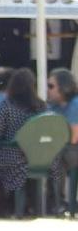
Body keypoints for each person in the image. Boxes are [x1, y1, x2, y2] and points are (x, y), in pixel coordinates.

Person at [0, 68, 46, 216]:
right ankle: (31, 205)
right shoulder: (41, 106)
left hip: (12, 156)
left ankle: (2, 206)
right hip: (38, 158)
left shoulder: (8, 104)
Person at [47, 68, 78, 210]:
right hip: (62, 147)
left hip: (73, 147)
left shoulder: (75, 104)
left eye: (51, 86)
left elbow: (73, 137)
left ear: (64, 87)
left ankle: (57, 202)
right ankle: (51, 201)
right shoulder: (53, 106)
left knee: (56, 159)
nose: (48, 90)